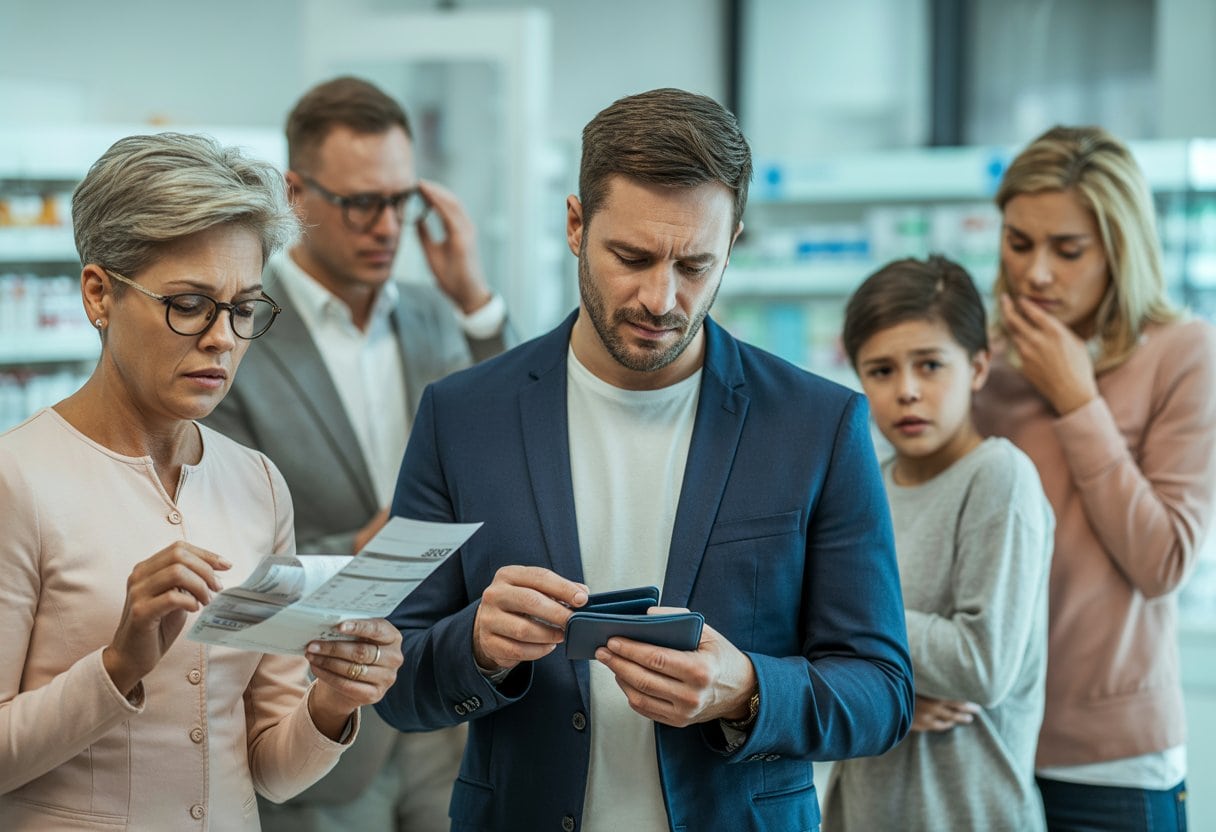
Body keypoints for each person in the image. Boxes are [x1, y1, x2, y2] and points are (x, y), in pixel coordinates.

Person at [374, 87, 914, 832]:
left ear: (733, 243)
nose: (662, 298)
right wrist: (475, 646)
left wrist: (749, 690)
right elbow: (392, 676)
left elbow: (882, 691)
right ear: (574, 224)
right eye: (630, 257)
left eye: (695, 265)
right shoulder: (461, 416)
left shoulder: (818, 424)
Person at [0, 132, 404, 830]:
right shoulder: (17, 480)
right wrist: (119, 662)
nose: (222, 337)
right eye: (188, 304)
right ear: (99, 294)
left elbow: (272, 770)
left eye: (243, 307)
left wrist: (335, 702)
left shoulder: (257, 483)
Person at [203, 76, 511, 831]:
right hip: (317, 719)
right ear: (297, 192)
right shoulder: (234, 334)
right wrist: (362, 553)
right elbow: (221, 564)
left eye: (401, 200)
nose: (387, 226)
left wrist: (476, 303)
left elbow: (510, 436)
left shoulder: (437, 318)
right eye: (361, 202)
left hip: (443, 709)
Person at [973, 125, 1216, 831]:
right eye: (1019, 244)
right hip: (984, 741)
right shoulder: (979, 366)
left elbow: (1163, 560)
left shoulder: (1183, 353)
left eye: (1068, 250)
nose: (1037, 273)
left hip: (1112, 764)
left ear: (1120, 249)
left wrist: (1078, 399)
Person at [821, 255, 1055, 831]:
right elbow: (808, 646)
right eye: (880, 371)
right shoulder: (863, 480)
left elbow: (981, 664)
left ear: (978, 367)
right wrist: (891, 698)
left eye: (929, 365)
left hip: (971, 814)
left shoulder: (1000, 476)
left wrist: (874, 662)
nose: (907, 391)